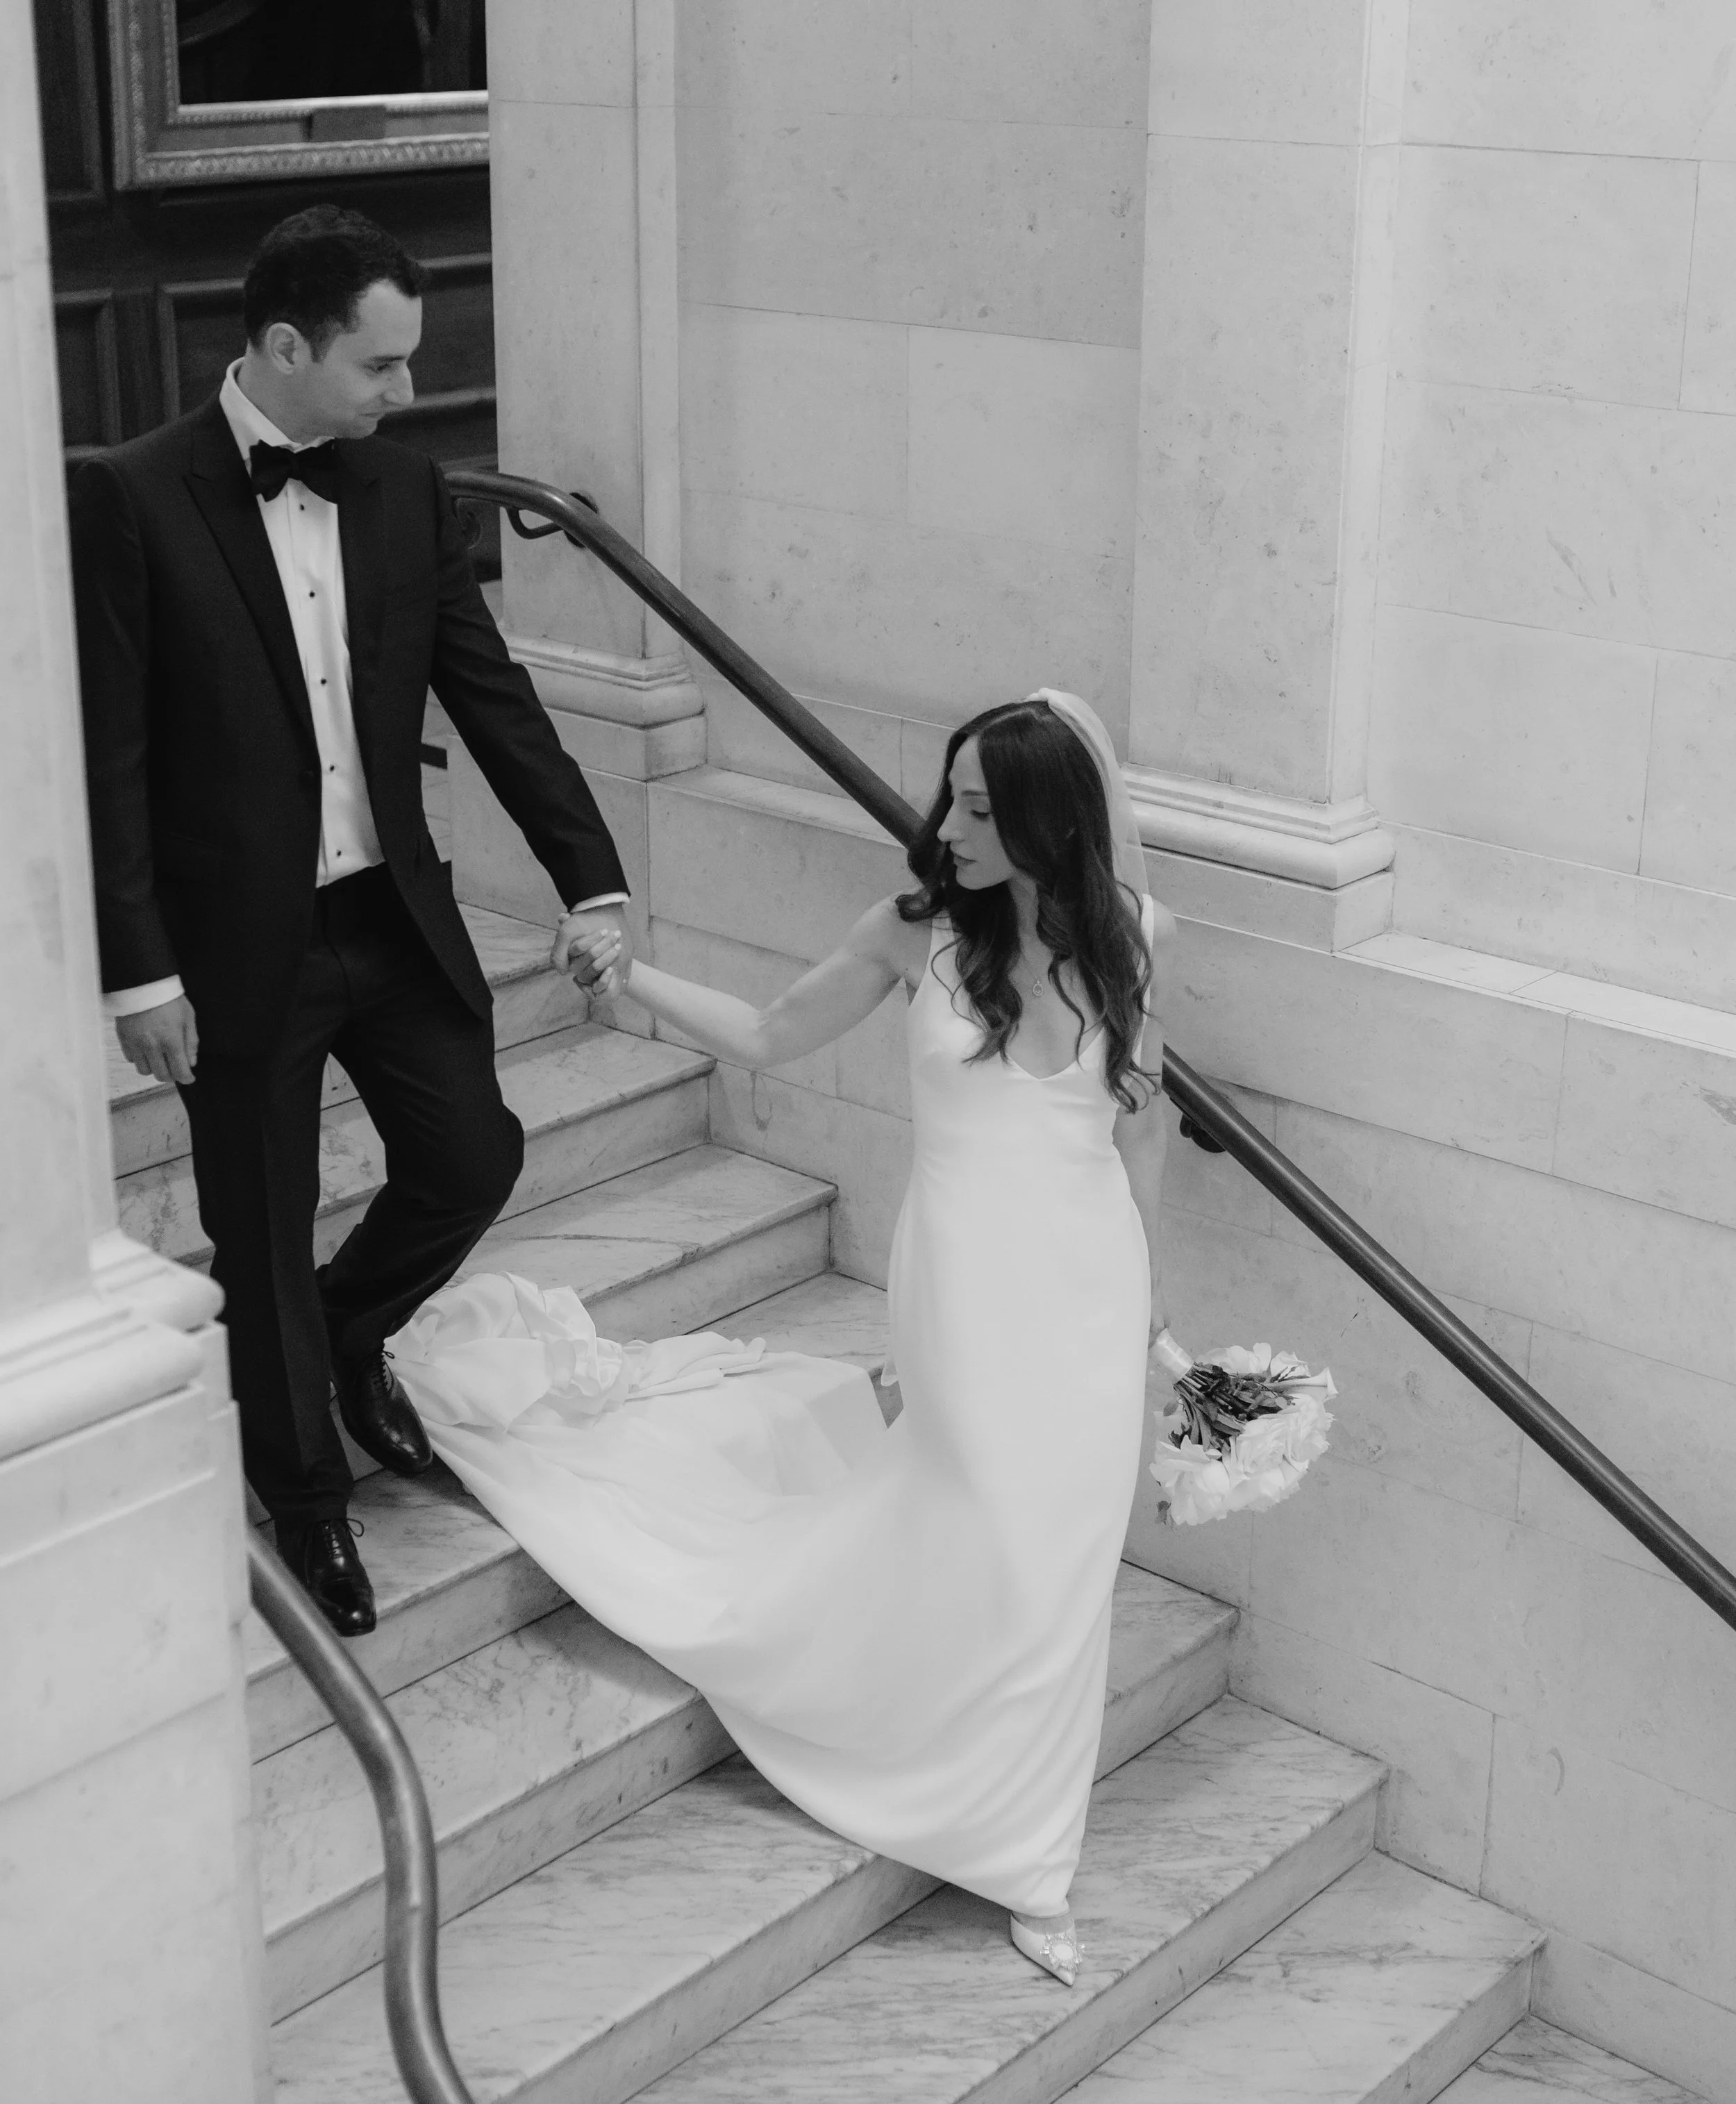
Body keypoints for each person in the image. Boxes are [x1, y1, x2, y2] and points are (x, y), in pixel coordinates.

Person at [396, 697, 1175, 1982]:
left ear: (1052, 819)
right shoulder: (914, 933)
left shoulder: (1127, 938)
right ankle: (926, 1744)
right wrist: (625, 976)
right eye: (952, 797)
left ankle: (1032, 1850)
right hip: (969, 1293)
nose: (951, 826)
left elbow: (1141, 1123)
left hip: (1089, 1290)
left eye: (983, 808)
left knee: (1064, 1563)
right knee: (976, 1503)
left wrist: (1152, 1291)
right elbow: (767, 1032)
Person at [72, 206, 631, 1635]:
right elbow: (110, 756)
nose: (404, 393)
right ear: (280, 347)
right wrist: (137, 971)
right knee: (254, 1229)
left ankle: (338, 1331)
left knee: (472, 1153)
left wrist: (591, 875)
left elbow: (489, 696)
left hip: (389, 916)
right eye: (379, 366)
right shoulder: (130, 498)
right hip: (228, 943)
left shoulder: (403, 492)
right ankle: (307, 1506)